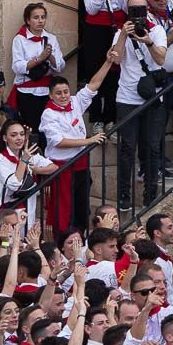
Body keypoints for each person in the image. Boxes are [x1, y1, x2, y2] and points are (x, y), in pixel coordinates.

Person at [39, 56, 113, 231]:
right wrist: (89, 141)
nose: (64, 96)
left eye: (66, 91)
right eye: (59, 93)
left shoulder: (75, 102)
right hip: (62, 167)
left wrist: (108, 62)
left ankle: (81, 238)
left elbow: (94, 85)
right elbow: (58, 142)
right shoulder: (48, 114)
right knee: (62, 211)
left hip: (81, 164)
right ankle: (63, 242)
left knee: (82, 207)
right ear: (51, 95)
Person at [113, 0, 168, 211]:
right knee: (127, 147)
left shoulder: (156, 31)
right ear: (127, 12)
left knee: (153, 146)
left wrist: (148, 41)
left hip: (152, 97)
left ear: (147, 11)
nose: (137, 15)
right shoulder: (120, 33)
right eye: (133, 11)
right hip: (127, 97)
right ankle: (124, 195)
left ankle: (150, 193)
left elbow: (161, 58)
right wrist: (123, 37)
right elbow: (115, 59)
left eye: (141, 10)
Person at [8, 2, 66, 148]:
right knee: (31, 129)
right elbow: (17, 66)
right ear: (28, 20)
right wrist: (39, 59)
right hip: (27, 91)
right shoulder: (20, 39)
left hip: (47, 91)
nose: (40, 21)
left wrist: (50, 55)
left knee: (48, 128)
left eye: (43, 17)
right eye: (36, 18)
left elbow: (60, 66)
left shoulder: (51, 38)